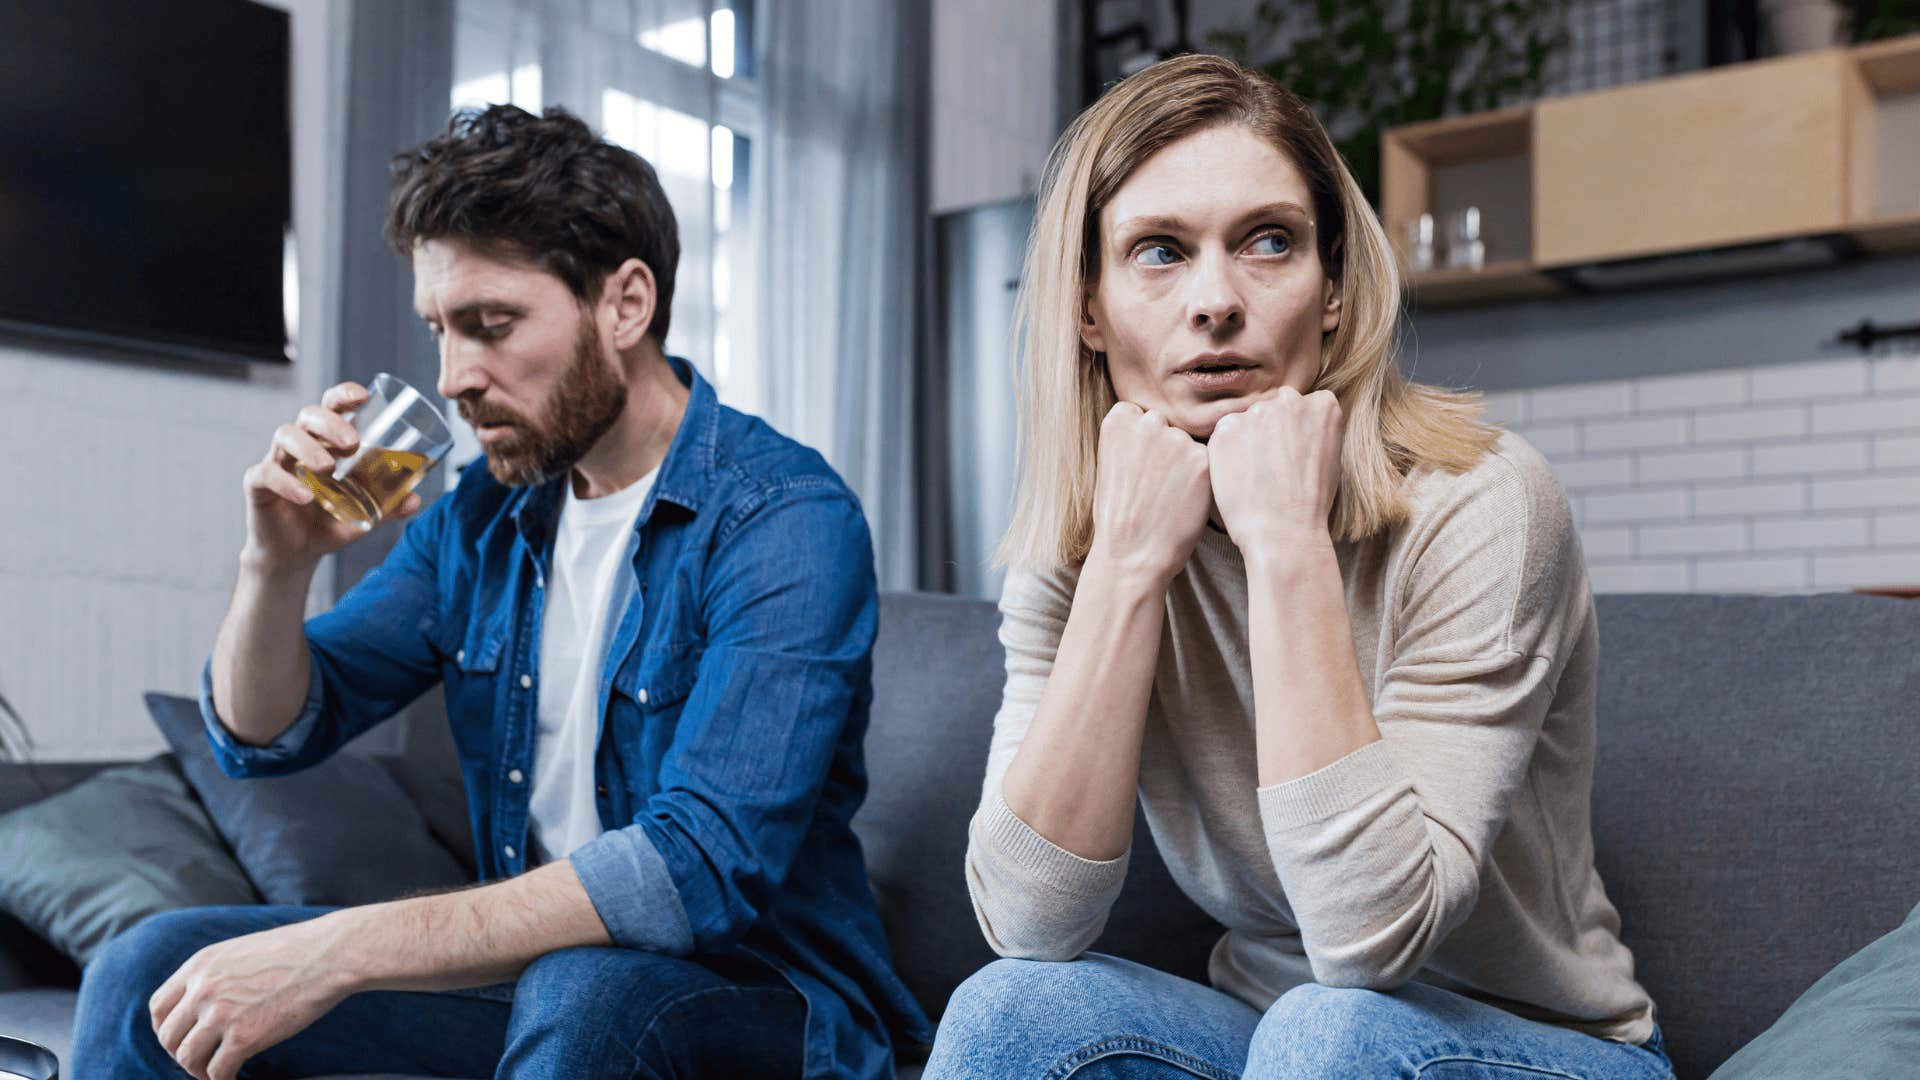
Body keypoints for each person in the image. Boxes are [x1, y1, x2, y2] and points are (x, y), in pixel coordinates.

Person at [71, 104, 930, 1080]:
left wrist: (337, 951)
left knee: (587, 992)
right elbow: (267, 735)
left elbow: (695, 871)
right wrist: (278, 565)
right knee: (152, 968)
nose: (453, 378)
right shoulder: (482, 518)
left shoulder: (783, 519)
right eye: (439, 331)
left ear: (625, 304)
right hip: (547, 990)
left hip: (765, 1002)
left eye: (490, 326)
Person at [923, 54, 1673, 1079]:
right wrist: (1128, 571)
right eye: (1158, 252)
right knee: (1008, 1014)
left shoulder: (1486, 501)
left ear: (1332, 289)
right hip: (1273, 1037)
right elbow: (1028, 924)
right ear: (1089, 310)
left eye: (1268, 242)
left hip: (1543, 1046)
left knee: (1335, 1030)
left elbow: (1371, 942)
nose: (1216, 301)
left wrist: (1285, 544)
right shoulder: (1088, 538)